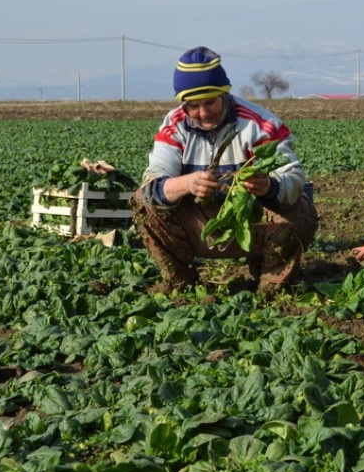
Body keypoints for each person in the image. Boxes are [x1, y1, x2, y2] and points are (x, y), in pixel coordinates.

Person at [131, 46, 318, 293]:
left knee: (301, 206)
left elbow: (293, 178)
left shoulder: (258, 125)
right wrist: (187, 183)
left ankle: (273, 286)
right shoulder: (174, 126)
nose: (204, 112)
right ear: (183, 103)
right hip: (198, 224)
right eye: (194, 106)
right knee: (143, 201)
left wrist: (269, 186)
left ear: (224, 95)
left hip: (253, 222)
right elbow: (153, 181)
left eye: (211, 102)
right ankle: (180, 283)